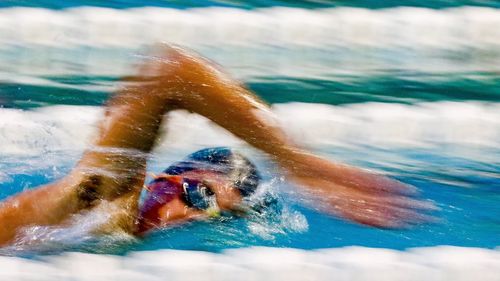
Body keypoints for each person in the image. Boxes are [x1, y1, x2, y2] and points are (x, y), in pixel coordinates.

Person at [0, 45, 433, 246]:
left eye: (209, 216)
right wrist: (297, 163)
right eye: (198, 194)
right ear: (162, 179)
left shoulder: (124, 238)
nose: (185, 216)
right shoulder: (102, 200)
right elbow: (173, 72)